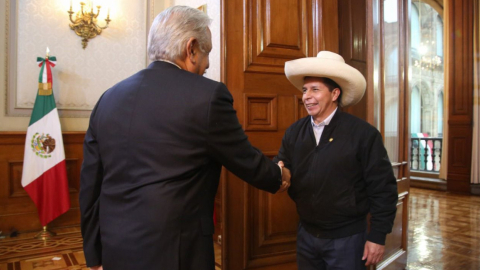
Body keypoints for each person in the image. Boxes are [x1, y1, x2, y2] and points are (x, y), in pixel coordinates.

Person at [79, 6, 290, 270]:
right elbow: (244, 159)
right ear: (191, 48)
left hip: (115, 247)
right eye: (207, 52)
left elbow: (90, 183)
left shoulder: (108, 97)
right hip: (176, 252)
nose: (208, 63)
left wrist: (94, 255)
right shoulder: (208, 96)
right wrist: (277, 175)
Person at [274, 51, 398, 270]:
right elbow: (283, 164)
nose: (306, 96)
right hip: (307, 235)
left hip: (347, 240)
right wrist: (279, 172)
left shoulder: (363, 134)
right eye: (304, 90)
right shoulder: (294, 132)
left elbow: (383, 188)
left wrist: (377, 236)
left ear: (334, 94)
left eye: (315, 89)